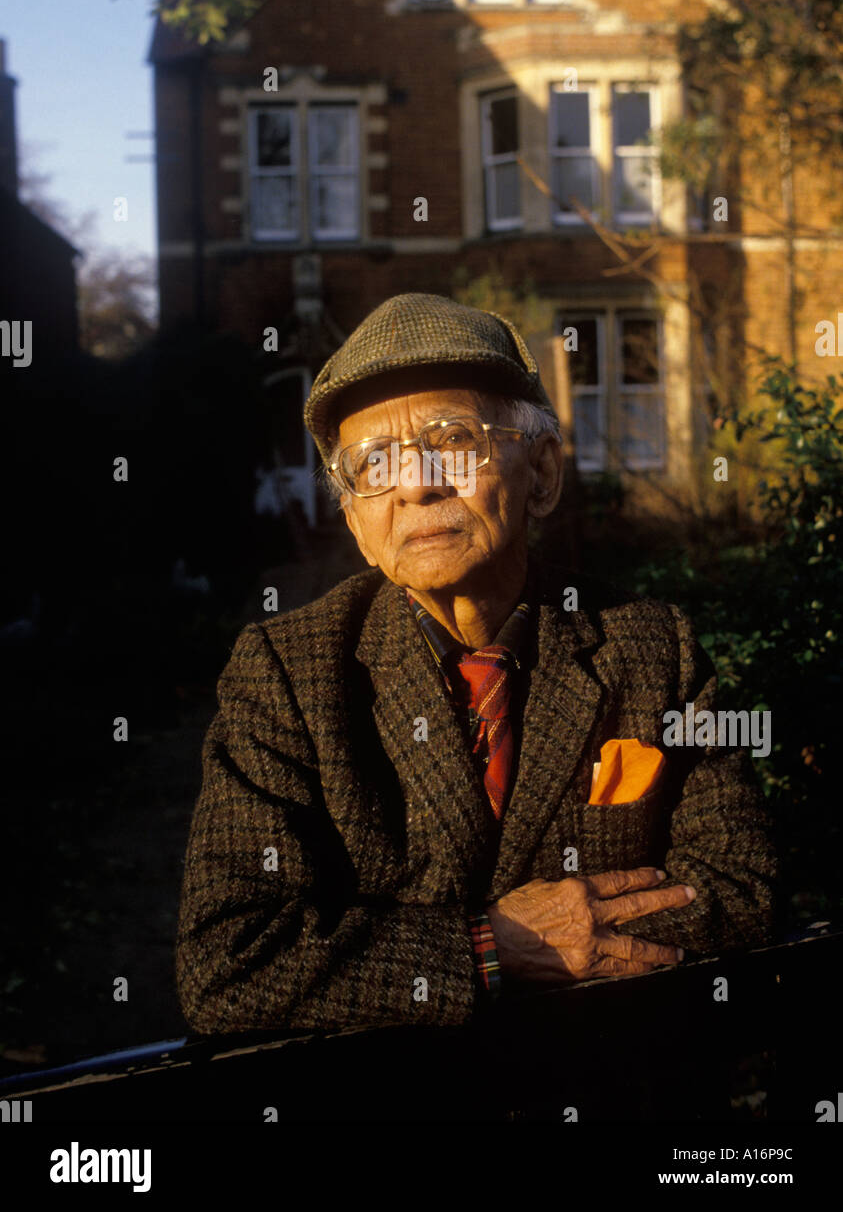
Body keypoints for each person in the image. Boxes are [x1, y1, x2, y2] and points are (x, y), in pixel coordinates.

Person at [175, 292, 776, 1034]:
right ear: (356, 521)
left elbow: (741, 892)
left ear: (543, 474)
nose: (416, 485)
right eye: (373, 465)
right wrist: (492, 949)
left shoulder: (652, 647)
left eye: (452, 439)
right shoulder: (285, 674)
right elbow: (227, 963)